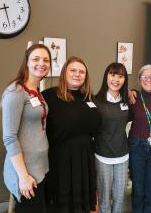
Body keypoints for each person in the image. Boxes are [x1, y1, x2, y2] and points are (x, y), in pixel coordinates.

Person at [42, 56, 101, 213]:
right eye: (73, 70)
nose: (77, 74)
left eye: (82, 72)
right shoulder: (48, 96)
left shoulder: (89, 97)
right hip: (61, 159)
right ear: (64, 73)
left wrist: (131, 92)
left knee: (81, 206)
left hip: (85, 157)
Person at [1, 44, 51, 213]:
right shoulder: (16, 91)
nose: (41, 63)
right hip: (26, 173)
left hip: (40, 168)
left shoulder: (35, 91)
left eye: (46, 60)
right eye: (36, 59)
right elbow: (9, 137)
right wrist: (23, 176)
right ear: (27, 63)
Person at [128, 65, 151, 213]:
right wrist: (127, 91)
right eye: (145, 77)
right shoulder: (133, 98)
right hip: (137, 147)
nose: (149, 80)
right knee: (138, 189)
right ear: (139, 80)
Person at [93, 63, 129, 213]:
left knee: (120, 197)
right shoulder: (95, 101)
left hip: (122, 156)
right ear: (106, 77)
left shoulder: (127, 101)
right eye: (113, 75)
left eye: (120, 76)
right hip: (102, 156)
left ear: (124, 79)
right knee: (104, 198)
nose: (116, 79)